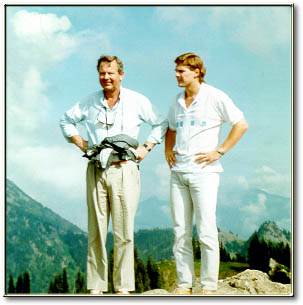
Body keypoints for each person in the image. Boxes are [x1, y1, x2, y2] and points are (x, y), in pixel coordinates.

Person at [60, 55, 167, 294]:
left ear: (121, 74)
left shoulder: (137, 101)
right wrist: (80, 142)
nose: (106, 77)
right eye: (102, 73)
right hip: (96, 168)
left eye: (110, 73)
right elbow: (66, 120)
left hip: (124, 168)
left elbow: (160, 123)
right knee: (96, 230)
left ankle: (123, 289)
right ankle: (96, 288)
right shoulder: (89, 102)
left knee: (124, 231)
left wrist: (146, 148)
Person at [165, 53, 248, 295]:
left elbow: (240, 124)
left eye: (181, 71)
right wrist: (168, 149)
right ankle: (184, 284)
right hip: (178, 173)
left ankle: (209, 287)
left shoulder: (215, 96)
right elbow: (170, 128)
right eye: (176, 70)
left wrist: (220, 150)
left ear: (196, 72)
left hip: (205, 173)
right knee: (180, 230)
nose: (176, 75)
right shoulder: (176, 101)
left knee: (206, 230)